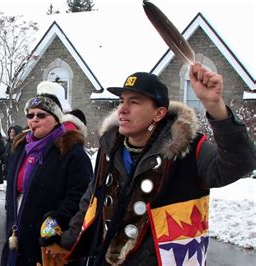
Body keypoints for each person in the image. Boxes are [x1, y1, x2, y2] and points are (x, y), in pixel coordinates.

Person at [42, 66, 255, 265]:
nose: (122, 109)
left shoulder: (187, 149)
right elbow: (91, 201)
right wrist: (65, 243)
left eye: (134, 102)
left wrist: (215, 107)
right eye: (121, 101)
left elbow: (239, 162)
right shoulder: (110, 148)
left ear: (159, 113)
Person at [0, 84, 94, 265]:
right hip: (16, 235)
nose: (34, 120)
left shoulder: (71, 152)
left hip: (49, 242)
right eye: (30, 115)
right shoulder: (21, 148)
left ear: (57, 119)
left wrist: (54, 220)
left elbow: (80, 196)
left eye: (41, 115)